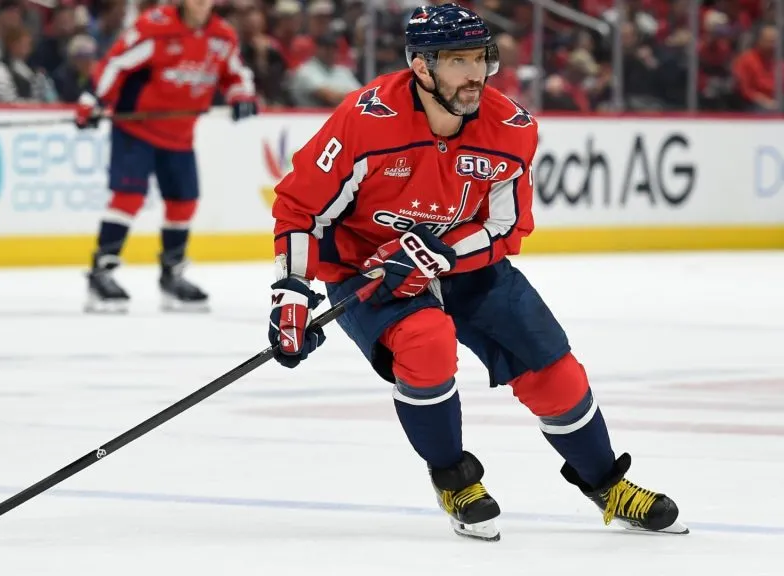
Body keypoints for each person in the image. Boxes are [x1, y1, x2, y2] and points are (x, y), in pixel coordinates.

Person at [266, 4, 687, 541]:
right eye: (457, 60)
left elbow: (508, 226)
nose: (476, 74)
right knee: (425, 342)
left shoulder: (510, 127)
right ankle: (454, 479)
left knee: (554, 370)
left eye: (481, 58)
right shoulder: (364, 121)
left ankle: (607, 483)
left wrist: (440, 253)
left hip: (467, 262)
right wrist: (291, 297)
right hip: (370, 265)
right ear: (420, 67)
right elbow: (301, 209)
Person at [75, 0, 258, 313]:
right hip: (137, 128)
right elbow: (117, 62)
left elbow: (236, 74)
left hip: (180, 134)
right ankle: (101, 273)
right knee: (128, 197)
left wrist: (241, 95)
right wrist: (93, 99)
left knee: (183, 201)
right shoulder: (155, 27)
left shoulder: (222, 36)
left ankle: (172, 276)